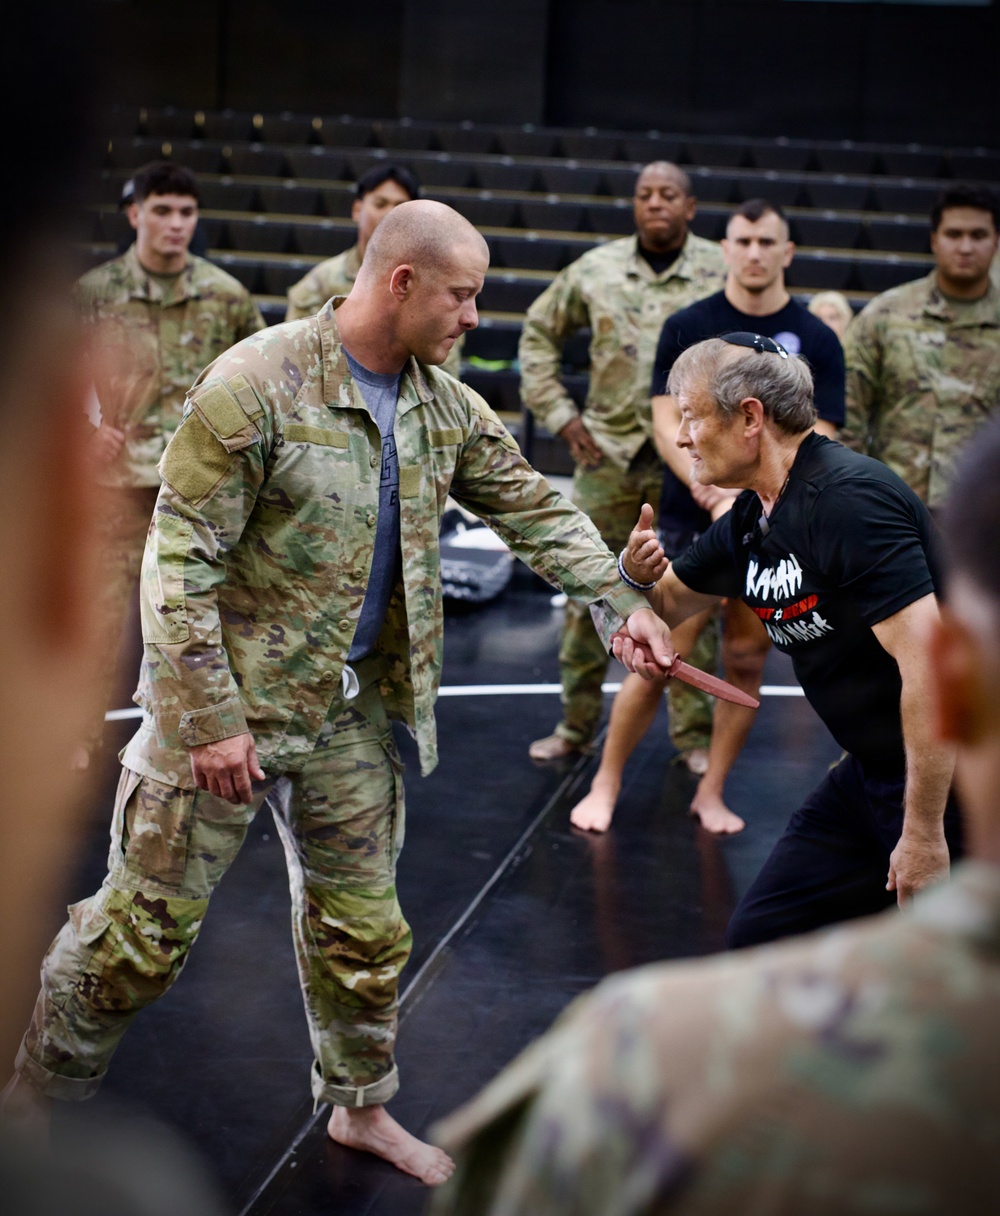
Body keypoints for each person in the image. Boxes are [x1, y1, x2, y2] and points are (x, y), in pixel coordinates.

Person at [5, 199, 675, 1188]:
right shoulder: (259, 383)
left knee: (364, 930)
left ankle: (360, 1107)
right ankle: (33, 1096)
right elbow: (177, 559)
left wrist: (617, 597)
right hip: (220, 718)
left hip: (346, 717)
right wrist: (207, 716)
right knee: (134, 941)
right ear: (401, 282)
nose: (472, 317)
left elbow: (530, 503)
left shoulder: (440, 401)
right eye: (462, 294)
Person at [428, 417, 1000, 1216]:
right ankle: (828, 1122)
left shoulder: (848, 501)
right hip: (867, 771)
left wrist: (924, 829)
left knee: (957, 1005)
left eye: (693, 418)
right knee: (761, 931)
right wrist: (630, 585)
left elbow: (927, 672)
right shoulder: (747, 524)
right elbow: (660, 605)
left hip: (929, 788)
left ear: (750, 421)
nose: (682, 438)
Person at [571, 200, 845, 835]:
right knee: (664, 649)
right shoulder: (690, 323)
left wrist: (746, 496)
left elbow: (819, 429)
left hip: (774, 522)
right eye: (743, 240)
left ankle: (712, 791)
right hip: (692, 510)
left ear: (787, 252)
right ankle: (606, 780)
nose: (754, 252)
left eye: (766, 241)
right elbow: (668, 419)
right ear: (724, 247)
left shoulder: (818, 338)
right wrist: (709, 484)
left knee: (747, 658)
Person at [521, 161, 726, 767]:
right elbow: (537, 334)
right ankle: (575, 727)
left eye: (668, 195)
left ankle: (692, 739)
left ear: (690, 206)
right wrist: (561, 414)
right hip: (607, 454)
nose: (655, 203)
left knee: (694, 597)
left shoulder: (720, 269)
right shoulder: (595, 268)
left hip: (690, 457)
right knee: (589, 590)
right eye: (644, 195)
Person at [79, 159, 264, 761]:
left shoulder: (225, 296)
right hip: (114, 489)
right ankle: (71, 742)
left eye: (186, 212)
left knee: (195, 620)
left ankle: (194, 737)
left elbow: (262, 383)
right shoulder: (94, 295)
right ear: (135, 214)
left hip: (199, 492)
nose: (175, 223)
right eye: (162, 210)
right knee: (94, 625)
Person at [842, 183, 1000, 508]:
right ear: (934, 240)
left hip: (983, 519)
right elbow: (848, 416)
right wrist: (853, 497)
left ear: (996, 240)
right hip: (894, 510)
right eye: (954, 234)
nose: (966, 247)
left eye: (978, 235)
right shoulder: (886, 315)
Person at [285, 164, 463, 377]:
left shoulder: (436, 287)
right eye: (380, 204)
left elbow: (443, 373)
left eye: (400, 205)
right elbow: (296, 362)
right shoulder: (319, 283)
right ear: (357, 210)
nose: (390, 213)